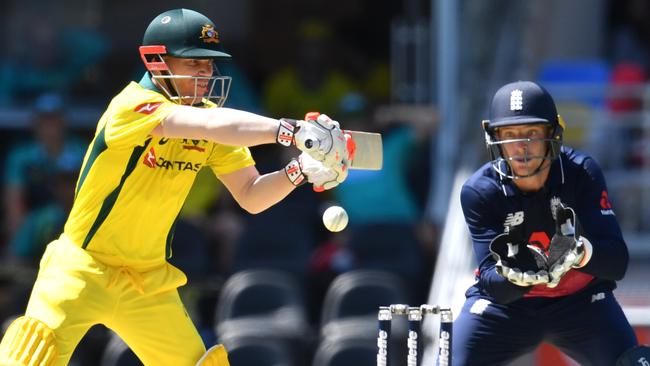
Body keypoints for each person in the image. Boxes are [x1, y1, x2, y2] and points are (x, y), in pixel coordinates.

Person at [0, 8, 351, 366]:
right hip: (80, 269)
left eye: (210, 64)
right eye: (194, 63)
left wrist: (298, 170)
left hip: (147, 282)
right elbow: (207, 124)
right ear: (155, 62)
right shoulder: (132, 106)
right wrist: (290, 130)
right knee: (29, 357)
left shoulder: (212, 120)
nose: (207, 73)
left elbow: (252, 196)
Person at [453, 81, 649, 365]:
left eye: (531, 134)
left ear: (552, 134)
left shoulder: (581, 172)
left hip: (580, 302)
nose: (521, 148)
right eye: (509, 135)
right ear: (494, 139)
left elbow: (617, 262)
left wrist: (581, 252)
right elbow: (491, 285)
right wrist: (514, 276)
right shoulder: (480, 191)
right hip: (507, 309)